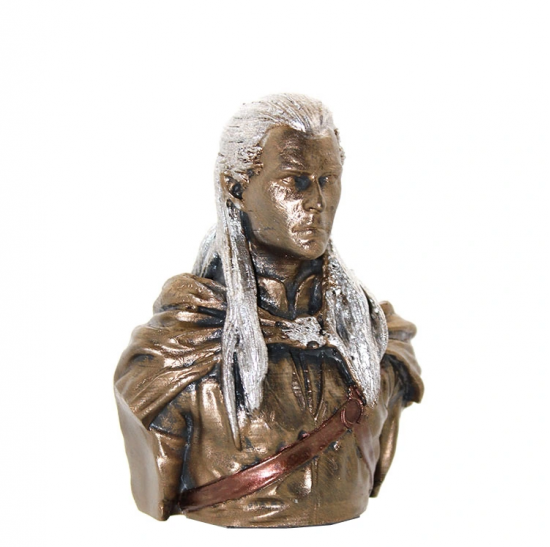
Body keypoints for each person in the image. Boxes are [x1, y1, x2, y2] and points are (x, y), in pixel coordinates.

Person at [114, 93, 423, 527]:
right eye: (295, 181)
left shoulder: (379, 343)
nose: (317, 201)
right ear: (236, 188)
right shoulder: (174, 352)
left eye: (328, 179)